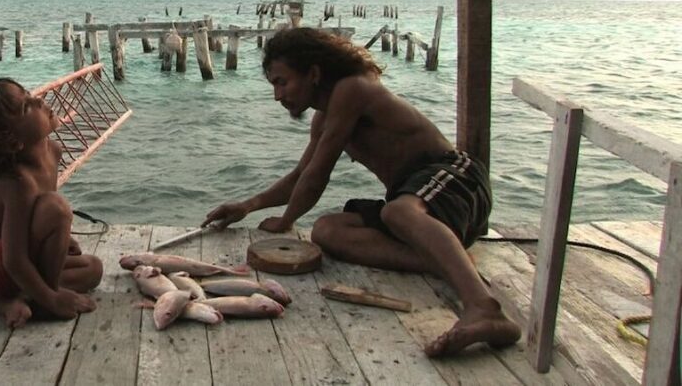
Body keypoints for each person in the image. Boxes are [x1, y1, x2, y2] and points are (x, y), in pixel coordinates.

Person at [202, 27, 520, 357]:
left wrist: (286, 221)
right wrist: (248, 205)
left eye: (282, 82)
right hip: (421, 204)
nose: (277, 95)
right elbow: (300, 176)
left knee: (396, 211)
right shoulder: (324, 119)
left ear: (313, 74)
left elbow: (318, 174)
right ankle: (446, 258)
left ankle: (484, 308)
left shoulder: (352, 89)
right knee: (327, 230)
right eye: (273, 85)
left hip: (457, 179)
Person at [0, 78, 103, 328]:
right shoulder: (17, 181)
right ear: (13, 142)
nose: (39, 100)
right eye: (26, 107)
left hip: (13, 256)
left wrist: (62, 239)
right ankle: (41, 301)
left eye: (29, 94)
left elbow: (37, 214)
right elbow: (13, 259)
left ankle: (19, 297)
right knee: (56, 208)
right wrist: (54, 300)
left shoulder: (53, 151)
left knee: (93, 269)